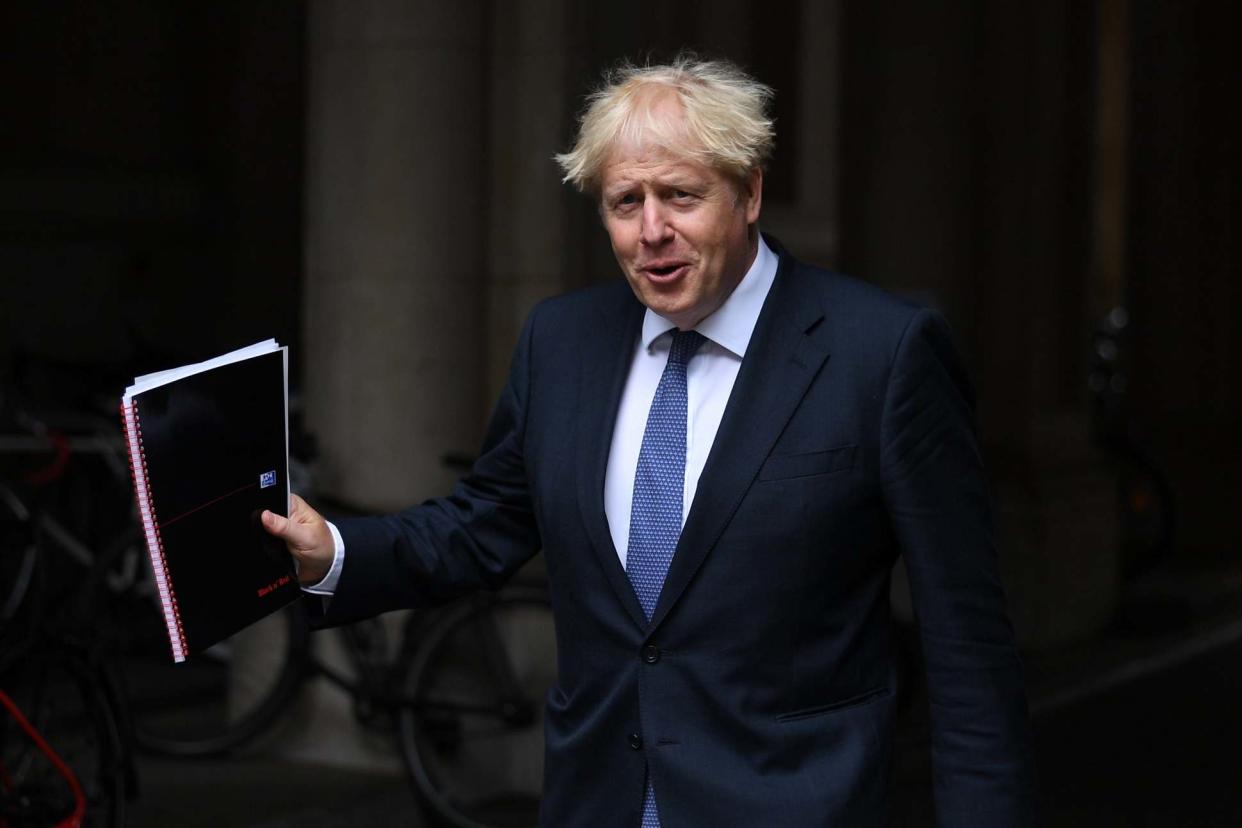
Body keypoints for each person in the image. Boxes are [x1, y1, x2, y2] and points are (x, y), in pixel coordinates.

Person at [263, 56, 1036, 826]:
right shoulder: (561, 343)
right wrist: (336, 552)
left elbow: (966, 643)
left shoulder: (882, 354)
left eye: (681, 196)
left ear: (751, 191)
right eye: (624, 202)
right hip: (598, 801)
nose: (652, 231)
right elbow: (484, 525)